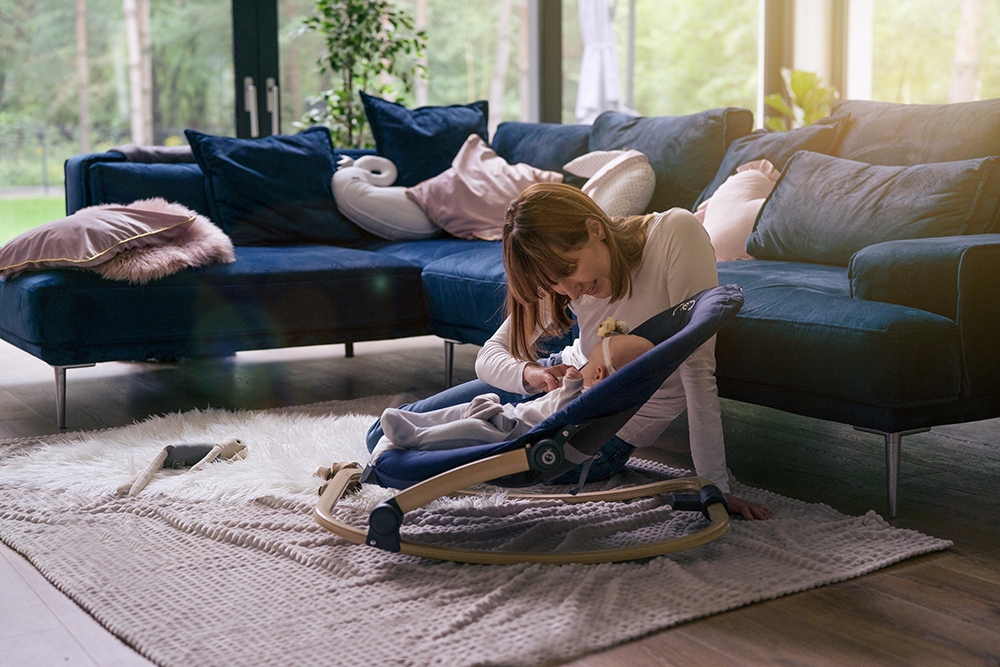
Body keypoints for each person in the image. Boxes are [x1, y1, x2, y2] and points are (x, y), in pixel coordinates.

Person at [366, 182, 770, 520]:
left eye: (570, 271)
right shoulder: (566, 278)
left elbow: (698, 372)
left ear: (595, 229)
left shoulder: (674, 235)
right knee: (379, 435)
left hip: (599, 430)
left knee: (407, 451)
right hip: (560, 379)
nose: (570, 293)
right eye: (555, 282)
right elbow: (490, 355)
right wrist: (532, 376)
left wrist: (715, 486)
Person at [370, 331, 653, 463]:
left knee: (468, 429)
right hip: (510, 414)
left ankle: (418, 438)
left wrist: (571, 383)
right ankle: (417, 420)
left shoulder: (590, 399)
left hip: (513, 433)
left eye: (587, 361)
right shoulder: (591, 390)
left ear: (599, 374)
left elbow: (570, 409)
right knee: (460, 411)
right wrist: (532, 373)